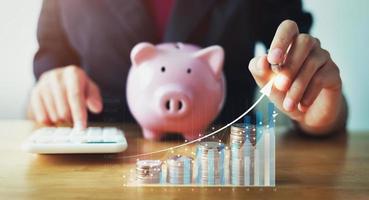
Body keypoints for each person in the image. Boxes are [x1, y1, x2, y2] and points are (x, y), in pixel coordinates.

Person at [28, 0, 347, 135]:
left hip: (221, 164)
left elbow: (299, 62)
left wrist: (316, 106)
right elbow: (48, 68)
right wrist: (47, 92)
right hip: (96, 166)